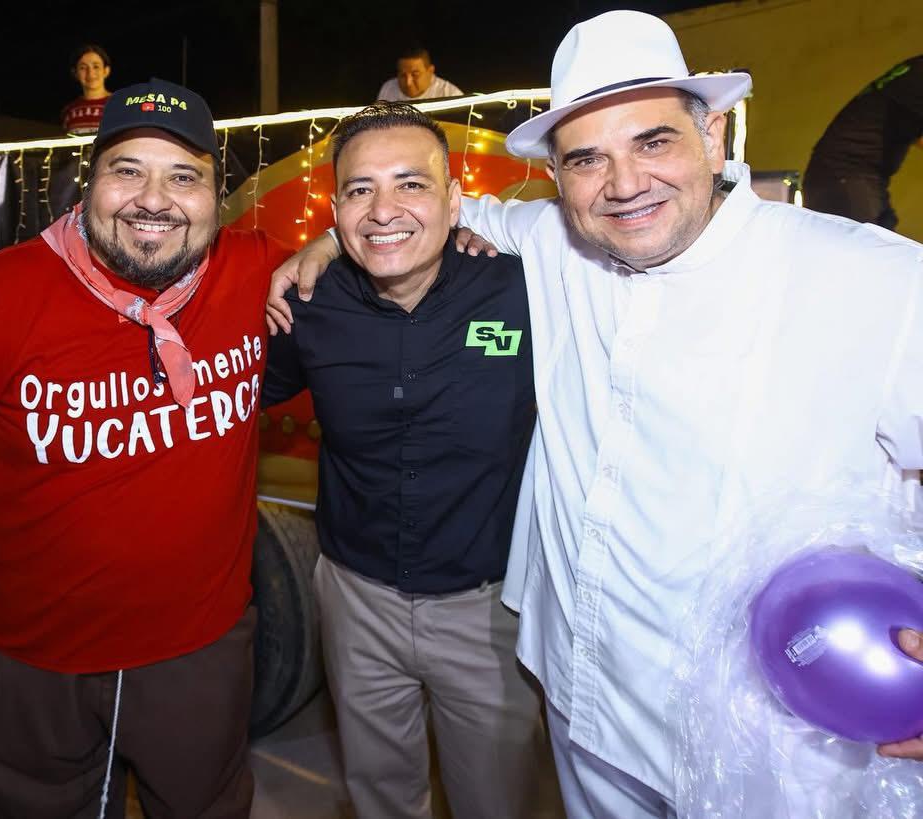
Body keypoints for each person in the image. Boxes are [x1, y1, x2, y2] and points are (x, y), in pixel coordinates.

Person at [268, 10, 923, 817]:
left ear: (713, 135)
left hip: (786, 755)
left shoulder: (871, 280)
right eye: (586, 158)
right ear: (557, 174)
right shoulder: (553, 241)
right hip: (590, 728)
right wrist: (332, 242)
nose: (623, 182)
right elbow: (420, 216)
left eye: (653, 141)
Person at [0, 78, 290, 818]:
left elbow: (377, 256)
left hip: (198, 651)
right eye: (127, 170)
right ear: (89, 181)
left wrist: (331, 243)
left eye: (183, 176)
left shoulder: (256, 269)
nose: (154, 200)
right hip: (24, 657)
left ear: (217, 194)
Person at [263, 102, 542, 819]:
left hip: (491, 611)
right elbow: (231, 395)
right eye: (360, 190)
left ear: (454, 199)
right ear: (336, 209)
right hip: (355, 600)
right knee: (380, 795)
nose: (383, 210)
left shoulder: (524, 291)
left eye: (410, 184)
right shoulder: (308, 302)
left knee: (498, 801)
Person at [803, 55, 923, 231]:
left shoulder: (915, 70)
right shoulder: (918, 76)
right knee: (870, 243)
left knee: (884, 241)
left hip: (855, 177)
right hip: (843, 175)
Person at [377, 47, 462, 102]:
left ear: (430, 71)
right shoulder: (388, 89)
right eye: (403, 75)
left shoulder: (450, 95)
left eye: (415, 75)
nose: (408, 83)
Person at [61, 44, 113, 135]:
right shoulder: (69, 111)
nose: (90, 73)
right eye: (83, 68)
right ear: (75, 73)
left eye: (96, 66)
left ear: (106, 70)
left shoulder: (119, 104)